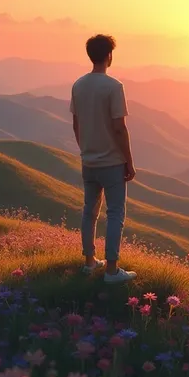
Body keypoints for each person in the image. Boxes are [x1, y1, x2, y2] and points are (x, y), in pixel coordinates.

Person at [70, 34, 137, 283]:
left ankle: (89, 262)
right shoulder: (113, 87)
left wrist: (85, 149)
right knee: (115, 213)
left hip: (88, 161)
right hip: (111, 162)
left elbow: (76, 124)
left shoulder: (78, 85)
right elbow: (119, 127)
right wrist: (128, 161)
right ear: (109, 56)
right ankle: (111, 270)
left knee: (89, 212)